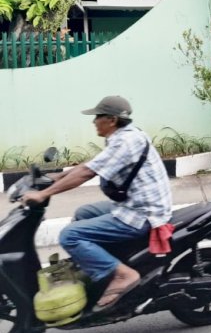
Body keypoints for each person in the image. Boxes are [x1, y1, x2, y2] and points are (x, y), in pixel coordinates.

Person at [21, 96, 172, 311]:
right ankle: (104, 266)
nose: (94, 122)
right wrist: (57, 177)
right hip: (137, 205)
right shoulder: (125, 136)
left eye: (97, 117)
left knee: (69, 235)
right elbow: (94, 164)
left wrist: (44, 194)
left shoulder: (125, 142)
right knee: (85, 212)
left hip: (142, 215)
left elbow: (87, 172)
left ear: (111, 120)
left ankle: (123, 274)